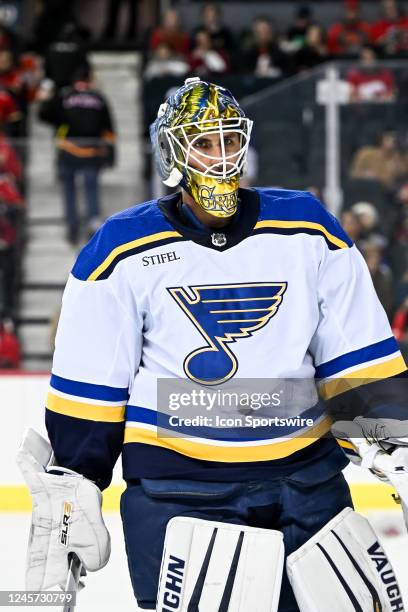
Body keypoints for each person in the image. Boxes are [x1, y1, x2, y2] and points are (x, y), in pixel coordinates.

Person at [36, 77, 407, 610]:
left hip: (305, 483)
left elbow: (355, 353)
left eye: (230, 139)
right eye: (203, 142)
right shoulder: (119, 248)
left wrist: (394, 448)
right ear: (173, 151)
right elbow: (92, 389)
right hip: (179, 492)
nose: (221, 155)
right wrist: (73, 492)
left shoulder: (308, 227)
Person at [38, 63, 116, 244]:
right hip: (92, 151)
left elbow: (45, 116)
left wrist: (45, 100)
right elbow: (109, 128)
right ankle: (93, 223)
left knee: (69, 189)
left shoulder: (64, 96)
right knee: (91, 188)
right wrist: (110, 154)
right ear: (89, 79)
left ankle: (72, 226)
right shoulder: (99, 97)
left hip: (67, 150)